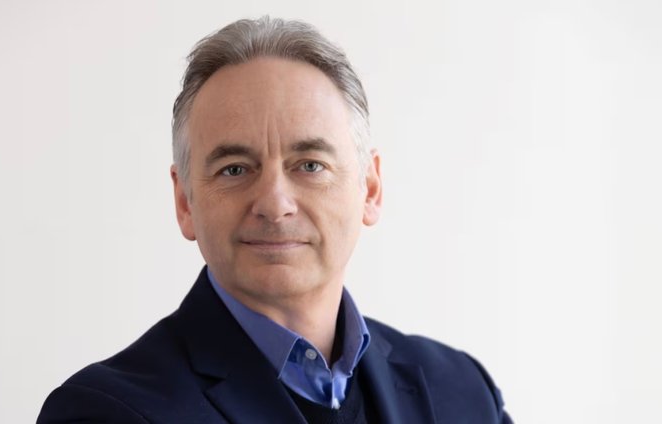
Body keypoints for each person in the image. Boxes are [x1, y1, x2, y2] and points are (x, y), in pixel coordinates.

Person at [37, 16, 512, 424]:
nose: (274, 203)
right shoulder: (106, 411)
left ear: (370, 188)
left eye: (310, 165)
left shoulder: (464, 391)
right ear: (185, 202)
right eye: (235, 169)